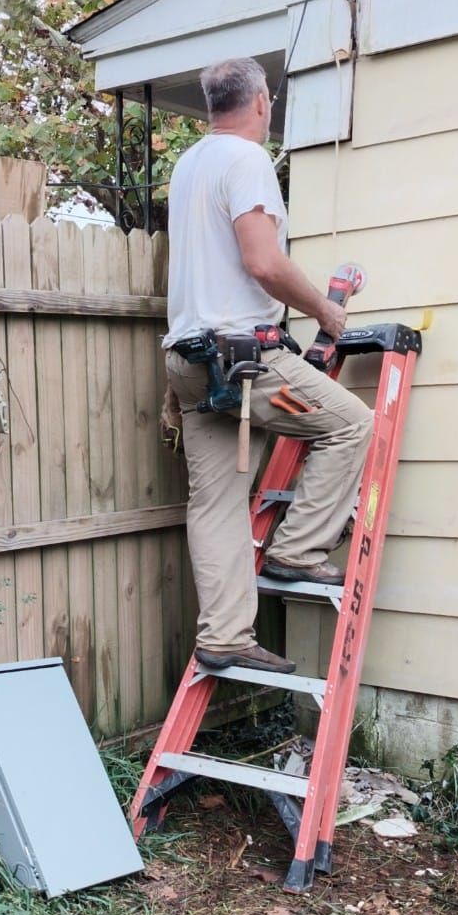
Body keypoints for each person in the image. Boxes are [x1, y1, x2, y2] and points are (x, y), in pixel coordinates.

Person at [163, 56, 373, 675]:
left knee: (216, 500)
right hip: (244, 364)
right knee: (349, 423)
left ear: (211, 106)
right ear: (262, 102)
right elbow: (263, 263)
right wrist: (324, 313)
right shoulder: (247, 160)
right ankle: (298, 548)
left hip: (189, 360)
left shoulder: (189, 164)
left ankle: (224, 635)